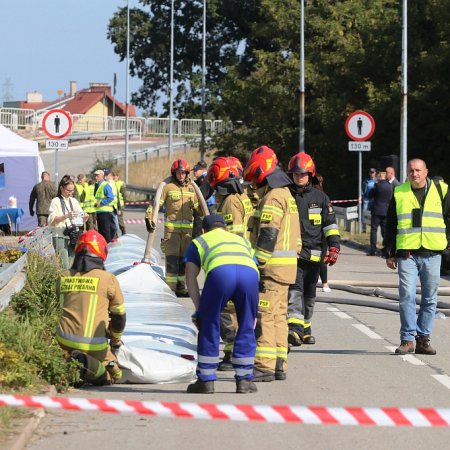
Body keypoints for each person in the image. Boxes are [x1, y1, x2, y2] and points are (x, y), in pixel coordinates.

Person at [244, 145, 301, 382]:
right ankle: (279, 364)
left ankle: (264, 366)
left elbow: (268, 233)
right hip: (286, 269)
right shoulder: (285, 194)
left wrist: (257, 263)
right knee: (278, 317)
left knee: (265, 316)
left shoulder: (273, 197)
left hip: (272, 269)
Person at [184, 214, 259, 394]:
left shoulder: (199, 241)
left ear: (203, 230)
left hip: (221, 275)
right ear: (226, 228)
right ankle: (244, 381)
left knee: (209, 325)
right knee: (247, 326)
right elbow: (254, 267)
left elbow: (190, 276)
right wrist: (253, 313)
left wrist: (199, 308)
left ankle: (206, 380)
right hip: (250, 275)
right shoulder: (241, 241)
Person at [384, 158, 450, 355]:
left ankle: (422, 338)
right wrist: (390, 252)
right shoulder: (399, 191)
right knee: (407, 296)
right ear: (407, 173)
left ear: (426, 171)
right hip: (407, 254)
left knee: (430, 299)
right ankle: (407, 339)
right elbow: (391, 223)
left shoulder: (441, 190)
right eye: (411, 170)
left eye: (418, 170)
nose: (415, 174)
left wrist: (447, 239)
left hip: (432, 253)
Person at [55, 230, 126, 386]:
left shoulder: (64, 275)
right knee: (116, 374)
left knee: (65, 359)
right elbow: (119, 315)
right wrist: (115, 340)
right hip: (94, 345)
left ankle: (72, 366)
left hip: (62, 341)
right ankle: (85, 365)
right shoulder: (108, 279)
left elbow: (58, 307)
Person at [286, 153, 340, 346]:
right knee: (295, 290)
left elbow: (330, 225)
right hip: (293, 254)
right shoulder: (285, 195)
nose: (299, 177)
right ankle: (294, 329)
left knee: (310, 294)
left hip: (315, 255)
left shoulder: (321, 198)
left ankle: (306, 328)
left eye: (303, 174)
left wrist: (334, 247)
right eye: (295, 174)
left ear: (310, 174)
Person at [207, 156, 254, 371]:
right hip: (245, 259)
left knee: (226, 310)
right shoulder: (242, 197)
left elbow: (232, 233)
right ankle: (234, 352)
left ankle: (232, 352)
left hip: (231, 260)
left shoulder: (230, 202)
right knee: (239, 310)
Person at [148, 159, 203, 296]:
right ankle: (170, 289)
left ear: (187, 173)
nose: (181, 176)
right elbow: (155, 204)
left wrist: (207, 214)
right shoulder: (167, 187)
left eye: (183, 173)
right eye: (178, 173)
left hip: (187, 234)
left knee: (184, 261)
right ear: (174, 173)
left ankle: (181, 287)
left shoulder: (191, 188)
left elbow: (198, 208)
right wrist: (149, 217)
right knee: (172, 261)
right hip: (171, 233)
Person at [48, 175, 88, 269]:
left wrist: (85, 217)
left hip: (73, 235)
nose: (70, 193)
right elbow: (52, 221)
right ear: (61, 188)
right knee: (64, 266)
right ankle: (64, 281)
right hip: (60, 236)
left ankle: (69, 282)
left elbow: (81, 219)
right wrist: (66, 216)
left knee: (72, 264)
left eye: (72, 191)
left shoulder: (74, 201)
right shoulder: (55, 201)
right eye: (68, 190)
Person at [367, 171, 393, 256]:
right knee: (384, 230)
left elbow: (370, 195)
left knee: (374, 230)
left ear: (379, 177)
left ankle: (373, 249)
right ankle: (386, 248)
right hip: (386, 211)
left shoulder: (377, 185)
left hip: (376, 210)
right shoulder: (390, 186)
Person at [315, 174, 332, 293]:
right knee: (321, 259)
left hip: (318, 233)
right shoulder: (324, 196)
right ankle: (325, 283)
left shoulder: (322, 197)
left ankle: (323, 283)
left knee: (319, 260)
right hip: (321, 234)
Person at [192, 160, 215, 238]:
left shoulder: (204, 180)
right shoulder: (206, 178)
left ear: (202, 170)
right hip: (209, 208)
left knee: (199, 233)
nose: (194, 172)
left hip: (207, 208)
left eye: (196, 170)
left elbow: (201, 196)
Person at [93, 169, 116, 243]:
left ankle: (108, 248)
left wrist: (101, 203)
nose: (95, 177)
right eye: (95, 176)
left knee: (106, 232)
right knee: (101, 232)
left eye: (97, 176)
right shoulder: (97, 185)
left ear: (102, 176)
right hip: (99, 212)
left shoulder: (105, 185)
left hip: (105, 212)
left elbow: (110, 197)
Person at [362, 168, 378, 232]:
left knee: (373, 215)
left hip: (374, 200)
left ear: (375, 173)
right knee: (364, 213)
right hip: (366, 199)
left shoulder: (377, 181)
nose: (372, 174)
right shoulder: (366, 181)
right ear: (369, 173)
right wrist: (362, 196)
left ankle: (373, 229)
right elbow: (362, 189)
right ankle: (363, 228)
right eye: (371, 172)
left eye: (373, 172)